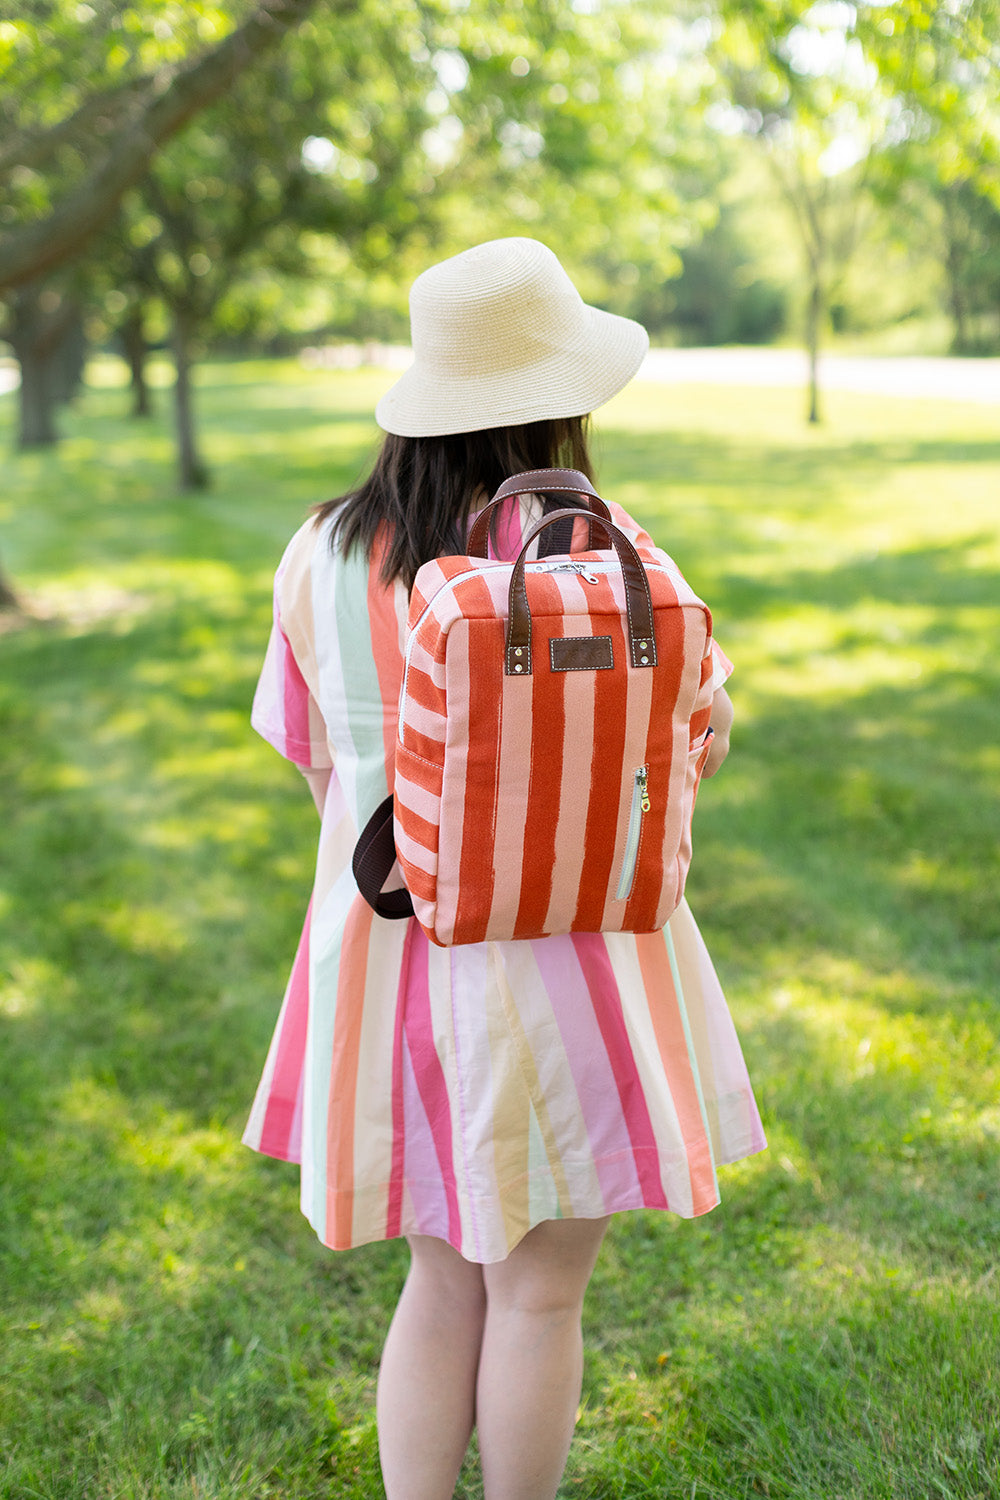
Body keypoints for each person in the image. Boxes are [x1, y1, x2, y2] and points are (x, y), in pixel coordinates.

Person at [244, 237, 766, 1500]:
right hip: (577, 966)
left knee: (439, 1279)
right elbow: (690, 742)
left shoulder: (318, 552)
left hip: (393, 966)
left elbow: (320, 770)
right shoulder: (605, 554)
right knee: (539, 1298)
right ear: (561, 398)